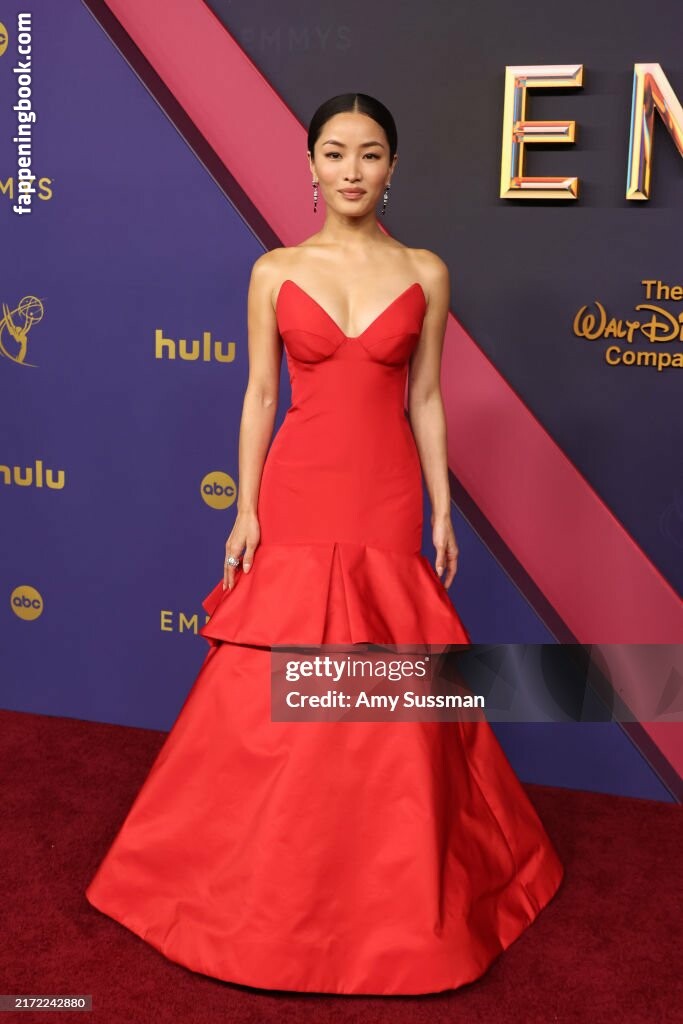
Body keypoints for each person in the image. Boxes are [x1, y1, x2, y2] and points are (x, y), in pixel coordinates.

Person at [85, 92, 564, 996]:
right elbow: (261, 395)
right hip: (299, 489)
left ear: (392, 168)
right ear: (309, 165)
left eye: (369, 153)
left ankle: (385, 890)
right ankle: (259, 885)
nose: (351, 169)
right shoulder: (274, 271)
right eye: (335, 152)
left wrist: (441, 509)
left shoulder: (425, 271)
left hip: (384, 493)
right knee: (280, 668)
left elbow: (426, 397)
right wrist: (245, 509)